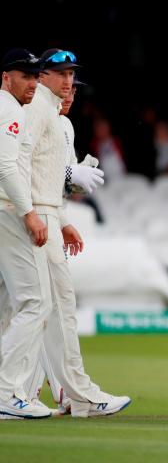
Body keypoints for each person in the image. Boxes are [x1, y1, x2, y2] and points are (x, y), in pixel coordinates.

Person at [5, 48, 127, 418]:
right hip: (30, 213)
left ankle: (30, 394)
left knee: (40, 307)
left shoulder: (53, 115)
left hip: (43, 212)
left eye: (72, 75)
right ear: (43, 77)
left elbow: (42, 173)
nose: (69, 83)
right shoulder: (34, 110)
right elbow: (17, 164)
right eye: (62, 75)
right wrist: (35, 211)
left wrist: (61, 215)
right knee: (46, 306)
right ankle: (62, 394)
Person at [0, 48, 51, 419]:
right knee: (35, 302)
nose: (33, 83)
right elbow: (5, 167)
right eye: (26, 76)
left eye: (36, 77)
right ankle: (7, 392)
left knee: (8, 305)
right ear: (7, 77)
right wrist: (30, 213)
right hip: (7, 211)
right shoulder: (9, 108)